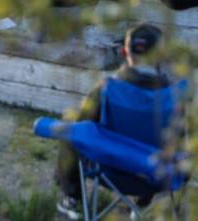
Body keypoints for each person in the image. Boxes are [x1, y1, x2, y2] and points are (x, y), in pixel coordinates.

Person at [55, 24, 174, 219]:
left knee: (70, 129)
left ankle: (72, 197)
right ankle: (142, 204)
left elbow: (81, 125)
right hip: (155, 177)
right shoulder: (175, 97)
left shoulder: (107, 89)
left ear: (124, 51)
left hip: (110, 170)